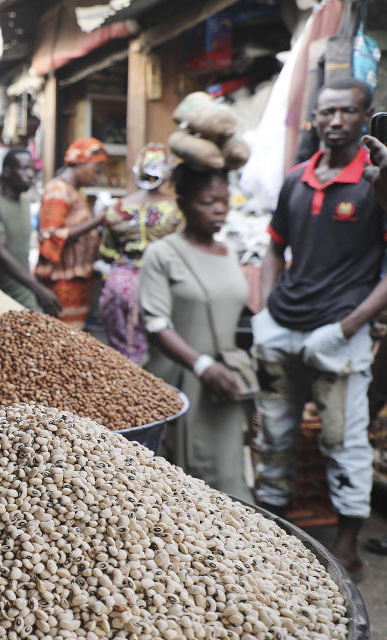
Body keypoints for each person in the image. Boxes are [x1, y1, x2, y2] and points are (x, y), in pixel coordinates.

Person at [252, 78, 387, 580]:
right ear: (315, 117)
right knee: (275, 435)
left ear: (365, 115)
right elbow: (273, 245)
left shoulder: (375, 182)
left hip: (339, 333)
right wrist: (264, 308)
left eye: (348, 112)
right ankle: (274, 536)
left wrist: (350, 325)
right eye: (327, 112)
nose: (335, 122)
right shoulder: (295, 179)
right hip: (282, 327)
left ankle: (346, 550)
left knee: (344, 441)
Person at [140, 164, 252, 502]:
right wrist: (202, 365)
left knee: (227, 479)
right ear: (184, 203)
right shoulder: (163, 254)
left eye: (224, 199)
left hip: (224, 384)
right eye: (207, 201)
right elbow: (156, 324)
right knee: (179, 491)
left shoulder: (230, 251)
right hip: (181, 382)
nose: (219, 208)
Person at [100, 143, 182, 363]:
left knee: (122, 351)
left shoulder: (117, 208)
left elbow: (106, 252)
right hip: (159, 283)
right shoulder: (177, 208)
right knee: (161, 351)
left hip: (121, 283)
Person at [0, 148, 60, 314]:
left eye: (33, 170)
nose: (31, 175)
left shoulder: (25, 201)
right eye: (24, 169)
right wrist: (38, 289)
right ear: (7, 172)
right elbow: (0, 252)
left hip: (24, 297)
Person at [35, 138, 108, 328]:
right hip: (63, 282)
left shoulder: (74, 192)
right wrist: (97, 221)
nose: (97, 177)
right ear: (80, 164)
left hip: (76, 281)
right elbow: (51, 236)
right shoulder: (57, 190)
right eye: (96, 170)